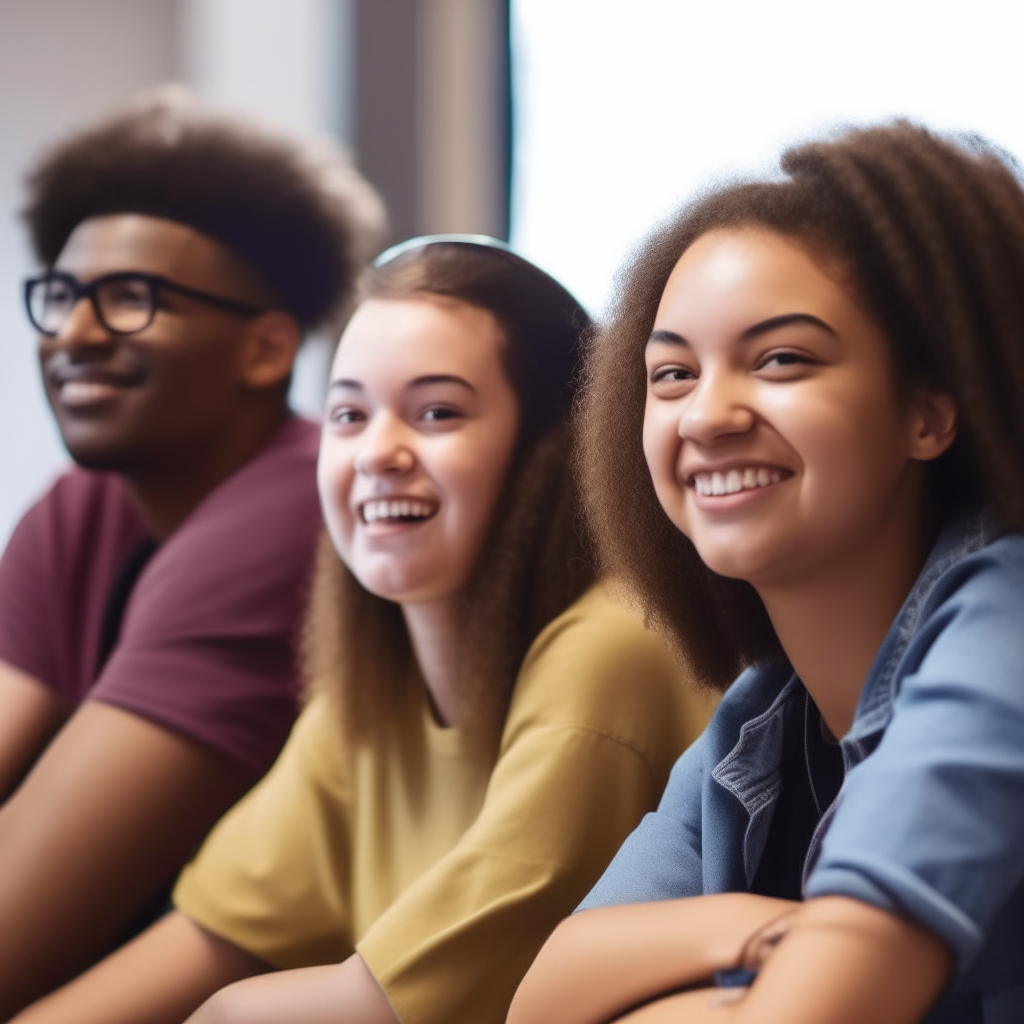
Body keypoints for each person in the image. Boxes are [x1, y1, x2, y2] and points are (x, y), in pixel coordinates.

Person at [14, 237, 716, 1024]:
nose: (378, 452)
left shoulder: (613, 647)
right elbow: (201, 945)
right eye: (349, 414)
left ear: (553, 452)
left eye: (438, 412)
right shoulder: (365, 697)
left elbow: (381, 1008)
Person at [508, 122, 1024, 1024]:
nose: (706, 414)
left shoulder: (1008, 624)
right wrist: (766, 933)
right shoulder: (759, 718)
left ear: (930, 411)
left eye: (782, 358)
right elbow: (545, 1002)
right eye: (671, 373)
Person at [0, 87, 385, 1016]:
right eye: (62, 297)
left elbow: (20, 910)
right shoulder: (81, 507)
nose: (75, 336)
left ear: (266, 348)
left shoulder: (294, 515)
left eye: (132, 300)